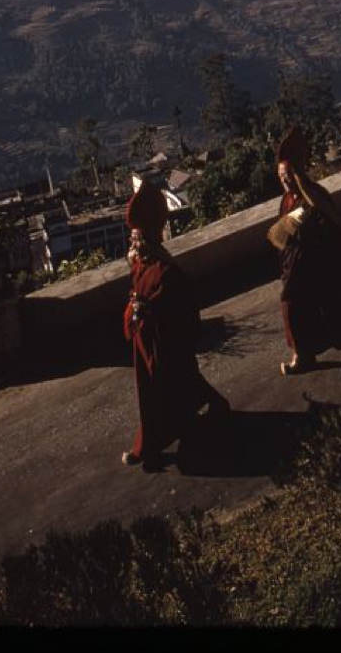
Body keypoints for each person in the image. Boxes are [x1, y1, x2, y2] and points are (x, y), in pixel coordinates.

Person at [269, 126, 341, 375]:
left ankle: (303, 355)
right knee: (329, 311)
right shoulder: (288, 200)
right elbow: (281, 236)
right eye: (280, 176)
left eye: (288, 174)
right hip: (296, 268)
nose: (284, 180)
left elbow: (330, 224)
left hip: (318, 267)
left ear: (298, 174)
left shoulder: (314, 196)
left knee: (298, 304)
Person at [122, 179, 220, 467]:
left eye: (136, 239)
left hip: (163, 346)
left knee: (165, 395)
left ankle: (150, 447)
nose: (132, 243)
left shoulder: (166, 272)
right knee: (171, 391)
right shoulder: (142, 266)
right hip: (148, 344)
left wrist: (146, 314)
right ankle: (213, 409)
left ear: (147, 239)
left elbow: (182, 315)